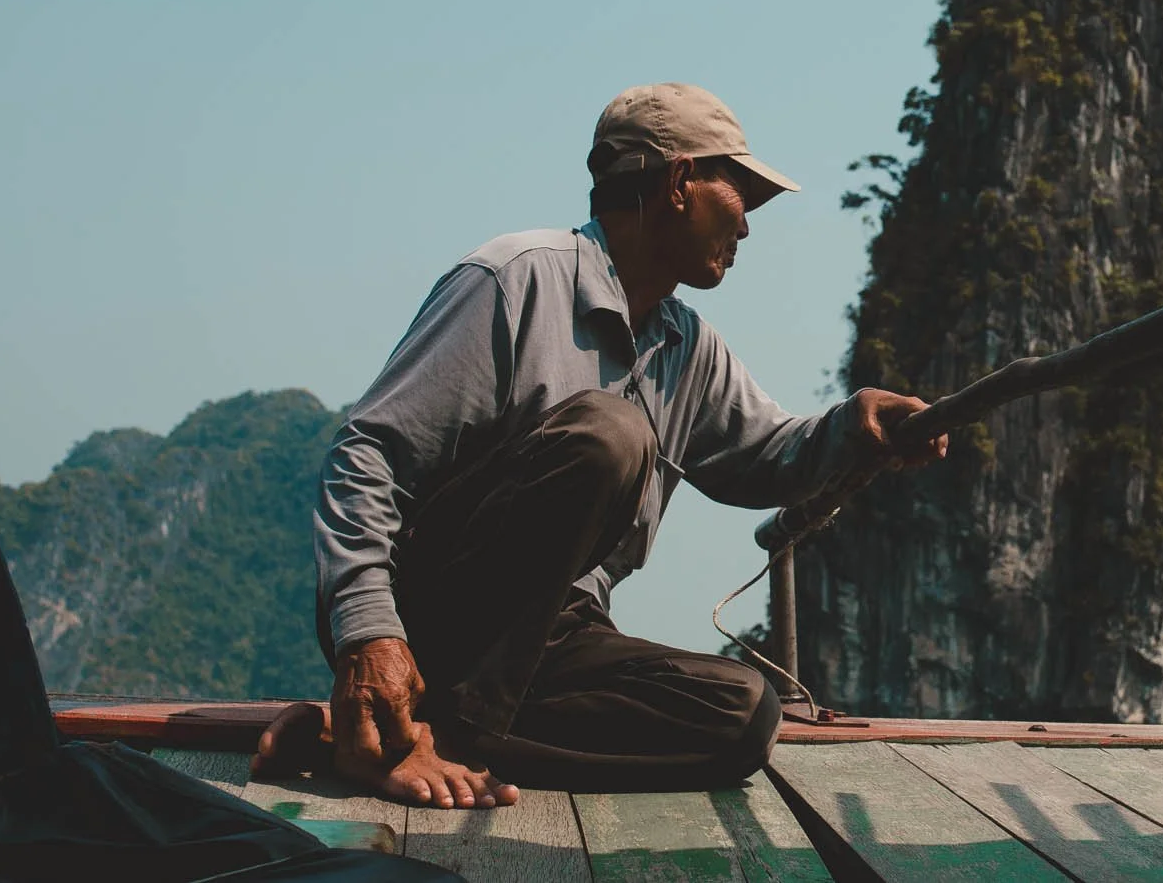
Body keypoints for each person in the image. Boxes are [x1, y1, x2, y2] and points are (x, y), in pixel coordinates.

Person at [252, 83, 947, 809]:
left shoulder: (685, 345)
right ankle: (393, 714)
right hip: (430, 611)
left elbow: (771, 453)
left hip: (550, 638)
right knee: (613, 436)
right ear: (680, 182)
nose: (747, 227)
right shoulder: (514, 279)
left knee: (745, 715)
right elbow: (369, 455)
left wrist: (859, 420)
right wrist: (369, 636)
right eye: (739, 192)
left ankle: (377, 736)